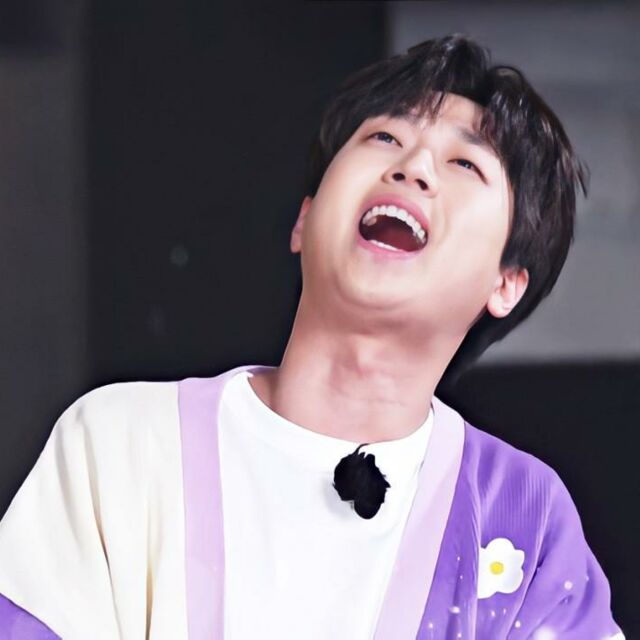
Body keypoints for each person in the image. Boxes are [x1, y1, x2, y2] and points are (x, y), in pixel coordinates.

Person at [0, 34, 625, 640]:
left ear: (506, 283)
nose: (413, 168)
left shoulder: (523, 516)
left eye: (465, 163)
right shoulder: (119, 443)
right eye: (385, 137)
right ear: (305, 219)